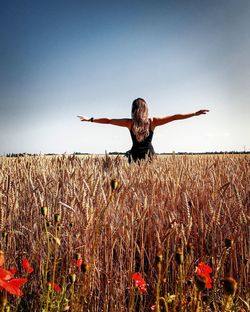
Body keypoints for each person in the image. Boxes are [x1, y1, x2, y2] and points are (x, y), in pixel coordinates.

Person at [78, 98, 209, 162]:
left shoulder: (129, 123)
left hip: (134, 156)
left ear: (133, 110)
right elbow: (175, 117)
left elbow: (108, 120)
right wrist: (194, 113)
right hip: (150, 156)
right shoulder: (153, 122)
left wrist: (90, 119)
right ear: (146, 109)